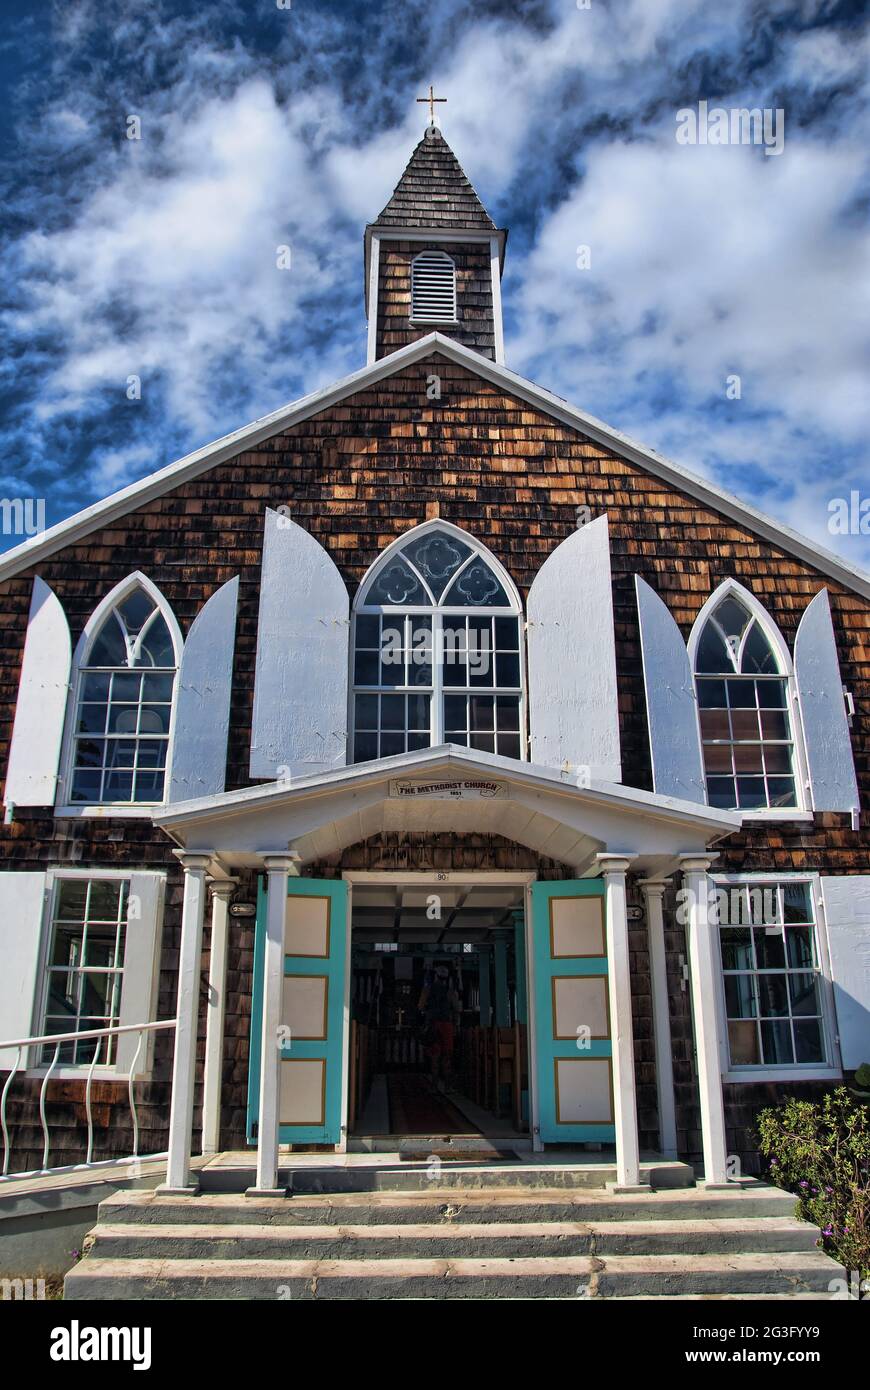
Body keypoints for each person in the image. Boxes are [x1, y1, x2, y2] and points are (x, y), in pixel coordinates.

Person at [418, 963, 460, 1090]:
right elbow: (456, 1009)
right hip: (447, 1026)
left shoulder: (427, 990)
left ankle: (435, 1086)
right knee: (447, 1057)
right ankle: (447, 1086)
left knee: (435, 1057)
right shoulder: (450, 992)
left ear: (436, 976)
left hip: (433, 1025)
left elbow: (420, 1006)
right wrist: (455, 1026)